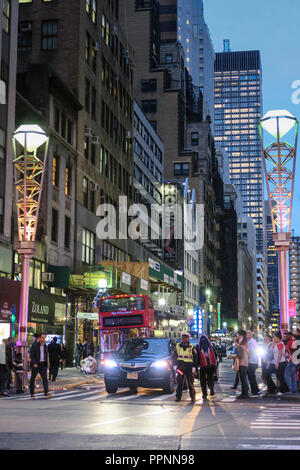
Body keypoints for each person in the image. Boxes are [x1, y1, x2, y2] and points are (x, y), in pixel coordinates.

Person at [173, 332, 198, 403]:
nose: (184, 339)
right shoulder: (178, 346)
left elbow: (196, 358)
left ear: (188, 338)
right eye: (183, 338)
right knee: (180, 383)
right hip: (180, 367)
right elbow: (174, 356)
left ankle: (193, 398)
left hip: (189, 367)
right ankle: (178, 397)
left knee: (190, 383)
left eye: (185, 338)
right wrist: (174, 365)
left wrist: (194, 367)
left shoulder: (192, 346)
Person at [264, 331, 289, 395]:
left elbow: (280, 354)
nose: (273, 338)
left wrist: (277, 363)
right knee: (267, 372)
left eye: (274, 337)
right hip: (275, 362)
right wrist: (273, 343)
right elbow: (271, 351)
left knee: (280, 376)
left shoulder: (280, 343)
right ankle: (273, 388)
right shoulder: (275, 343)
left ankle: (284, 389)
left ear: (277, 337)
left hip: (281, 362)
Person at [29, 332, 53, 399]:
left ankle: (46, 392)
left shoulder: (45, 345)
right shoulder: (34, 345)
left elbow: (46, 355)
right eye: (42, 337)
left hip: (43, 364)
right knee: (33, 378)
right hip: (36, 364)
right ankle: (32, 393)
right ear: (39, 338)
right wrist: (34, 363)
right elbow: (32, 355)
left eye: (44, 338)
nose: (43, 339)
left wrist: (47, 364)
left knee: (45, 378)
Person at [227, 330, 249, 399]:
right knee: (243, 379)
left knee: (243, 379)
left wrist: (231, 356)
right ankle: (245, 393)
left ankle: (244, 394)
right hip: (243, 362)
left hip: (242, 362)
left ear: (241, 335)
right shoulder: (244, 343)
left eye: (238, 334)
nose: (237, 336)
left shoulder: (242, 344)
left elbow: (239, 354)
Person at [198, 334, 217, 398]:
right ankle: (210, 389)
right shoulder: (211, 347)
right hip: (210, 366)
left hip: (204, 366)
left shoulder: (198, 347)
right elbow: (215, 356)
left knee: (203, 381)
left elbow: (197, 357)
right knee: (210, 379)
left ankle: (205, 393)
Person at [246, 331, 260, 396]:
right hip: (253, 361)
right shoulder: (251, 341)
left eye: (247, 333)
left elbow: (250, 352)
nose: (246, 335)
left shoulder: (251, 342)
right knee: (251, 376)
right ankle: (255, 390)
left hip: (252, 361)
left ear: (251, 334)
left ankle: (255, 390)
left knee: (251, 376)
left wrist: (247, 359)